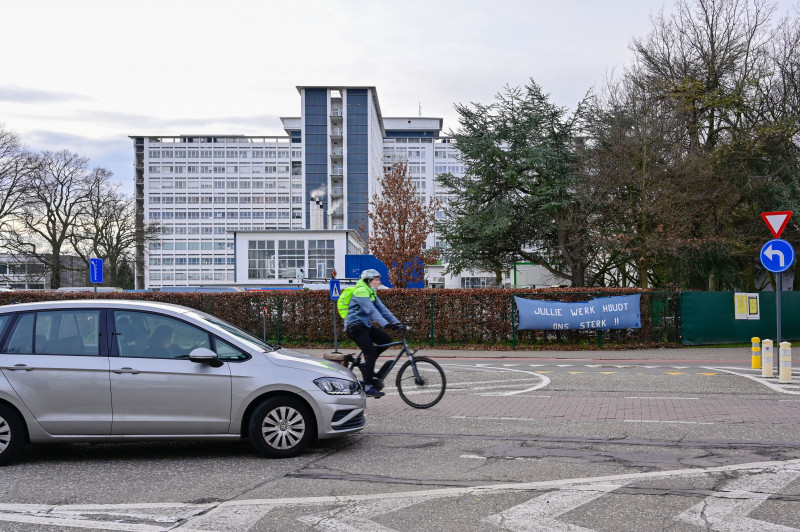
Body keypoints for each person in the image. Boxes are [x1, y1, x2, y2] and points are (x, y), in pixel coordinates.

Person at [344, 269, 406, 398]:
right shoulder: (361, 291)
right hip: (354, 326)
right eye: (376, 280)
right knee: (371, 353)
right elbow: (371, 311)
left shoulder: (371, 293)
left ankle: (367, 365)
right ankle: (368, 387)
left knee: (386, 339)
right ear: (368, 281)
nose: (379, 282)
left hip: (364, 326)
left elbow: (383, 310)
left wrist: (398, 323)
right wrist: (386, 324)